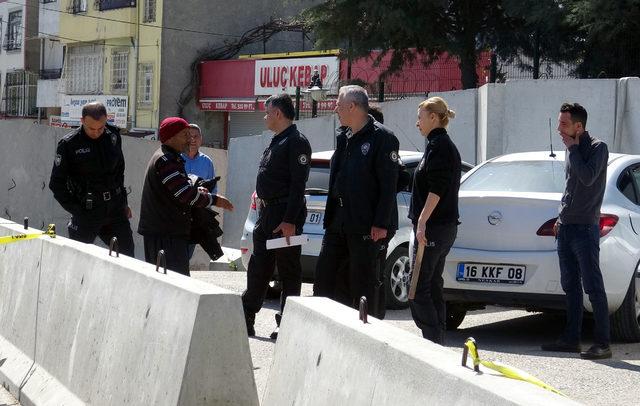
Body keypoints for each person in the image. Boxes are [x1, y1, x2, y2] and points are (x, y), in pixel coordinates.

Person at [314, 85, 400, 318]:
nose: (335, 109)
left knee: (363, 284)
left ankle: (367, 331)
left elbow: (388, 185)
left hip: (366, 225)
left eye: (339, 104)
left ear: (352, 106)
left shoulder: (383, 138)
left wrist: (381, 223)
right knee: (325, 281)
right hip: (338, 223)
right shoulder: (345, 136)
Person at [541, 103, 611, 360]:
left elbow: (588, 177)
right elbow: (570, 187)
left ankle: (602, 343)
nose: (559, 129)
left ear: (578, 127)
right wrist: (560, 218)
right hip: (567, 226)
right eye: (559, 123)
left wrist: (572, 149)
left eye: (564, 124)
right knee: (570, 286)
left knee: (593, 286)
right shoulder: (570, 150)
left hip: (585, 228)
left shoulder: (597, 148)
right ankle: (571, 339)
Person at [242, 93, 312, 339]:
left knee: (288, 270)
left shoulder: (296, 142)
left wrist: (290, 220)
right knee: (259, 266)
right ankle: (247, 314)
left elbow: (298, 185)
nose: (265, 116)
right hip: (268, 213)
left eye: (267, 112)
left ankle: (287, 324)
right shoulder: (277, 140)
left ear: (278, 113)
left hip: (285, 215)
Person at [137, 117, 233, 276]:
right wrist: (215, 199)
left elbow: (182, 189)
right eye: (185, 135)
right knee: (172, 284)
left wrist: (197, 190)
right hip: (164, 235)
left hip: (170, 233)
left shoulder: (172, 158)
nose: (190, 139)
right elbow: (184, 194)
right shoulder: (165, 160)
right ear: (171, 137)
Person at [49, 102, 135, 256]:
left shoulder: (113, 136)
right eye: (91, 128)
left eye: (101, 128)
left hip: (115, 209)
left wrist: (124, 203)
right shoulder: (69, 144)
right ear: (82, 121)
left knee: (127, 258)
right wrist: (77, 211)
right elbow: (56, 184)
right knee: (78, 259)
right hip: (87, 211)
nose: (96, 132)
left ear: (106, 120)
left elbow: (119, 173)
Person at [408, 97, 461, 345]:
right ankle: (437, 338)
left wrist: (421, 222)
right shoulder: (435, 145)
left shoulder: (440, 146)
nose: (417, 122)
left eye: (420, 117)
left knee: (417, 289)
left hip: (434, 229)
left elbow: (437, 189)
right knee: (432, 284)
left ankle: (432, 340)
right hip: (440, 228)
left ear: (433, 118)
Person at [182, 123, 217, 259]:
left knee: (187, 254)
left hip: (196, 216)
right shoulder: (177, 158)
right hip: (179, 214)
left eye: (196, 136)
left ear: (201, 139)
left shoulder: (207, 161)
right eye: (189, 136)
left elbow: (213, 188)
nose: (193, 139)